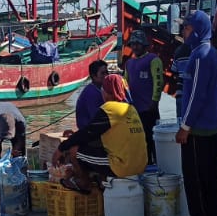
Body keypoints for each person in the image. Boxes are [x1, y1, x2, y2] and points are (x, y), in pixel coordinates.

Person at [53, 74, 146, 192]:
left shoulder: (110, 108)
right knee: (94, 150)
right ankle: (101, 182)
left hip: (123, 166)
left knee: (74, 151)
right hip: (140, 165)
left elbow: (88, 133)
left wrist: (61, 148)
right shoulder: (131, 109)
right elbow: (94, 132)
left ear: (107, 92)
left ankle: (84, 183)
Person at [175, 10, 217, 216]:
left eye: (186, 28)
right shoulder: (210, 52)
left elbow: (195, 95)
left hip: (198, 129)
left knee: (196, 178)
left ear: (197, 29)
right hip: (210, 125)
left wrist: (185, 126)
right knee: (211, 175)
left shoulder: (200, 55)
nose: (183, 32)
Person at [124, 31, 164, 164]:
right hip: (135, 110)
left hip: (149, 109)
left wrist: (154, 101)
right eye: (133, 44)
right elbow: (125, 84)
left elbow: (158, 82)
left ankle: (157, 164)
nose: (135, 47)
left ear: (144, 45)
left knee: (152, 139)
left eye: (137, 44)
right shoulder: (129, 63)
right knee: (139, 140)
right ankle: (144, 164)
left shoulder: (154, 59)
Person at [74, 59, 110, 130]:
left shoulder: (99, 89)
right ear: (93, 76)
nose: (106, 75)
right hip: (88, 131)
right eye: (102, 73)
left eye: (107, 72)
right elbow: (97, 118)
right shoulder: (91, 93)